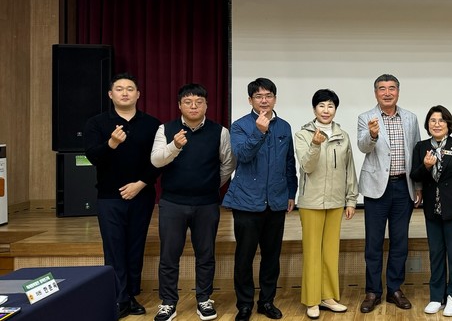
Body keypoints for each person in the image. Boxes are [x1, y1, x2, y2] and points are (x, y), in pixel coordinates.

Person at [150, 84, 235, 321]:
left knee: (205, 254)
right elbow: (156, 161)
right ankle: (168, 302)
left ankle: (204, 299)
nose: (194, 106)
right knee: (169, 255)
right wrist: (174, 146)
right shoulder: (166, 129)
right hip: (172, 203)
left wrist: (210, 184)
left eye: (199, 102)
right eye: (188, 102)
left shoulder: (220, 132)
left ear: (207, 105)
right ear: (179, 105)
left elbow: (228, 164)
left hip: (206, 203)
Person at [84, 72, 161, 319]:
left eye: (130, 89)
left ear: (138, 94)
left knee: (135, 246)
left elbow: (159, 161)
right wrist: (111, 144)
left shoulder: (152, 124)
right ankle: (119, 298)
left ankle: (131, 295)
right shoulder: (96, 123)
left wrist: (140, 184)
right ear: (110, 94)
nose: (125, 93)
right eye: (119, 89)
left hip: (142, 194)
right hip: (109, 196)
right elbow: (93, 157)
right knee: (114, 248)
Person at [222, 78, 297, 321]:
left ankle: (266, 301)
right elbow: (242, 155)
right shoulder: (240, 126)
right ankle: (244, 304)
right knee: (244, 256)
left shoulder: (284, 126)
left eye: (268, 95)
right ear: (250, 100)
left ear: (275, 98)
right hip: (246, 201)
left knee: (271, 256)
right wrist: (259, 131)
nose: (264, 100)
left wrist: (291, 192)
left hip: (276, 200)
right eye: (258, 96)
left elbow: (289, 163)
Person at [356, 74, 421, 313]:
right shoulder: (365, 117)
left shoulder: (410, 118)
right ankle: (373, 291)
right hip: (376, 188)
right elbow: (363, 147)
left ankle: (394, 288)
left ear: (398, 92)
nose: (387, 93)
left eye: (391, 88)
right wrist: (372, 134)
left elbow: (416, 152)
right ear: (375, 93)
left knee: (400, 242)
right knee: (373, 243)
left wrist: (418, 186)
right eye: (382, 89)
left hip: (403, 187)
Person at [294, 89, 358, 319]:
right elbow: (307, 166)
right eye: (321, 105)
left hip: (336, 202)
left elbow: (350, 169)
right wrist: (315, 144)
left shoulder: (343, 135)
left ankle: (328, 296)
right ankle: (312, 300)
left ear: (335, 109)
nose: (326, 110)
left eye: (330, 106)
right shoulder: (303, 134)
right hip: (311, 202)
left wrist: (351, 199)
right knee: (312, 251)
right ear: (314, 109)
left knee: (330, 251)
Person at [410, 105, 452, 317]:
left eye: (441, 120)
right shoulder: (421, 147)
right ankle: (436, 297)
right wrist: (426, 166)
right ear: (427, 124)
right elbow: (415, 175)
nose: (437, 124)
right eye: (432, 120)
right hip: (432, 210)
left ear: (448, 124)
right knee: (436, 255)